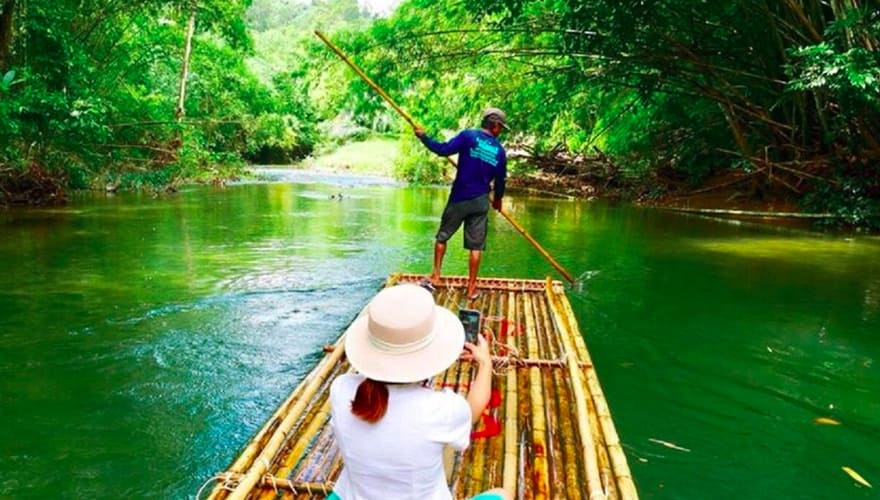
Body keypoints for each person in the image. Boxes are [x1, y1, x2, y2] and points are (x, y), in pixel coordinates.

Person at [328, 283, 512, 500]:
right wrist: (485, 363)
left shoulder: (341, 388)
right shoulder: (440, 409)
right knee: (502, 495)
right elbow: (473, 411)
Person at [414, 107, 508, 300]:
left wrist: (424, 137)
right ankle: (472, 289)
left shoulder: (468, 136)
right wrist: (498, 201)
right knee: (476, 247)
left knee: (442, 237)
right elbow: (500, 182)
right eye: (501, 128)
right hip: (480, 201)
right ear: (495, 125)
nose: (502, 131)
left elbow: (442, 150)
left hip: (459, 197)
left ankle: (436, 276)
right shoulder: (499, 151)